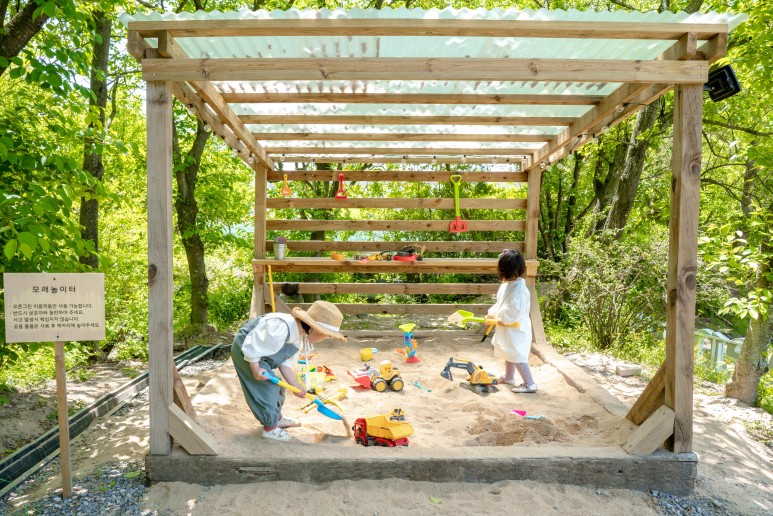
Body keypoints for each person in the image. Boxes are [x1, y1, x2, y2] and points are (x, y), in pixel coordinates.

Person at [230, 300, 347, 441]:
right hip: (247, 352)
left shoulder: (299, 335)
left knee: (279, 388)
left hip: (262, 355)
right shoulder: (281, 328)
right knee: (267, 388)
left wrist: (295, 385)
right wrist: (255, 369)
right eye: (326, 335)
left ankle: (277, 418)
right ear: (315, 329)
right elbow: (253, 346)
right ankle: (269, 429)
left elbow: (284, 361)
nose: (326, 338)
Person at [484, 249, 537, 393]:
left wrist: (501, 317)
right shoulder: (506, 285)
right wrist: (492, 314)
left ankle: (530, 384)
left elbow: (513, 311)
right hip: (507, 328)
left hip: (516, 328)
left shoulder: (520, 289)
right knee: (509, 352)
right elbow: (500, 304)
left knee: (517, 354)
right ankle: (509, 377)